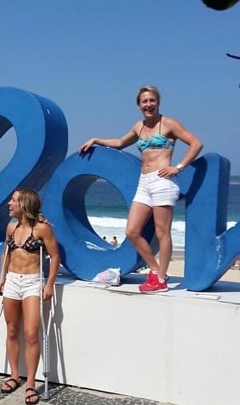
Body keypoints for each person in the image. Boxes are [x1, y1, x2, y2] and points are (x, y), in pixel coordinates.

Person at [79, 85, 203, 293]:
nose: (148, 105)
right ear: (139, 106)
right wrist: (95, 139)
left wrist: (178, 167)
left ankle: (161, 279)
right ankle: (154, 270)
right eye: (144, 101)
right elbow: (119, 142)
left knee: (162, 233)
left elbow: (196, 143)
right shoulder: (139, 127)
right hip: (144, 182)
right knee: (132, 231)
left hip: (163, 181)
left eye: (152, 100)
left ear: (158, 102)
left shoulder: (169, 123)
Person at [0, 188, 60, 405]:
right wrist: (2, 279)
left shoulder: (42, 228)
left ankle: (31, 383)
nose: (9, 203)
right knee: (12, 329)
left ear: (24, 204)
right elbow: (5, 254)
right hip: (13, 281)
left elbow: (54, 256)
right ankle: (15, 376)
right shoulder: (11, 227)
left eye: (13, 200)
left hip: (33, 282)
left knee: (31, 333)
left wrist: (49, 284)